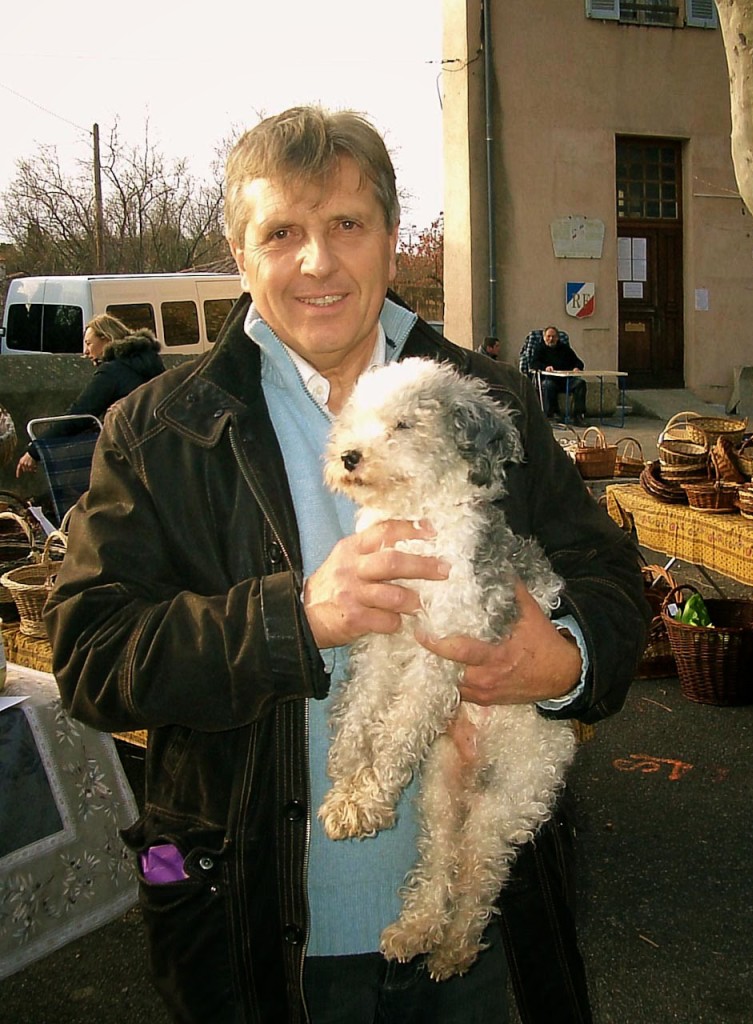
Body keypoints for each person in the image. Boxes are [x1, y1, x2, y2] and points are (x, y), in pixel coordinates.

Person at [45, 106, 650, 1024]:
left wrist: (565, 660)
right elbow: (92, 658)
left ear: (392, 240)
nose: (317, 261)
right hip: (252, 923)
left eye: (346, 226)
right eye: (281, 232)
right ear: (239, 255)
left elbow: (612, 584)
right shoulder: (158, 429)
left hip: (488, 940)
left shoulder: (484, 400)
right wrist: (295, 618)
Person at [15, 317, 165, 477]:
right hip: (160, 448)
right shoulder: (150, 364)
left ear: (107, 339)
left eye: (88, 343)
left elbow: (78, 416)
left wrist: (35, 450)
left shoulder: (113, 371)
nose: (85, 352)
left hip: (130, 454)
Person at [525, 325, 588, 426]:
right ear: (544, 337)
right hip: (549, 379)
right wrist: (545, 367)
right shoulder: (539, 349)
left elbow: (578, 362)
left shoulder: (565, 349)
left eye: (553, 336)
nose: (551, 339)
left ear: (557, 338)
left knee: (580, 383)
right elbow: (533, 364)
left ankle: (578, 416)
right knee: (548, 385)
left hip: (565, 380)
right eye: (548, 336)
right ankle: (553, 414)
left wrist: (577, 367)